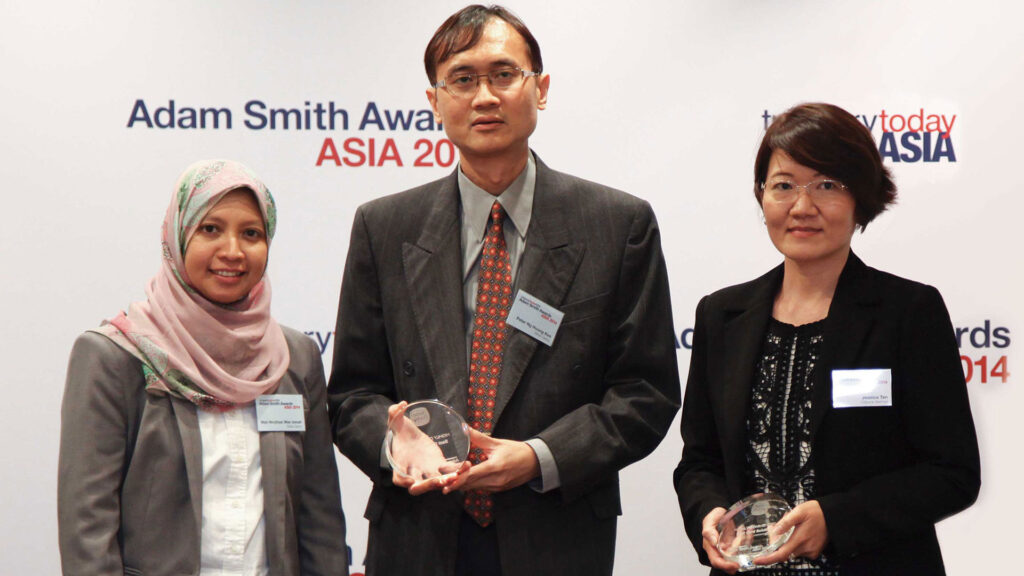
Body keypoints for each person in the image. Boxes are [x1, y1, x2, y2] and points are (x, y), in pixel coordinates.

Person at [327, 5, 680, 576]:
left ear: (540, 89)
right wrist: (398, 447)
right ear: (434, 101)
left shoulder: (617, 225)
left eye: (503, 74)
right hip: (418, 534)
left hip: (555, 534)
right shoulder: (384, 227)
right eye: (462, 79)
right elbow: (351, 395)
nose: (484, 97)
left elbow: (645, 392)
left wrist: (539, 458)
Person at [673, 103, 980, 576]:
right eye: (784, 185)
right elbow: (699, 462)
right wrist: (708, 515)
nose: (802, 206)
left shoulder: (908, 313)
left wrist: (836, 519)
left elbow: (953, 473)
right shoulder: (721, 316)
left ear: (861, 197)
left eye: (827, 185)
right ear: (761, 196)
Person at [58, 160, 348, 576]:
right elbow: (88, 529)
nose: (232, 251)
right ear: (178, 236)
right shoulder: (116, 356)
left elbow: (318, 516)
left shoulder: (293, 357)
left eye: (251, 233)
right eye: (210, 229)